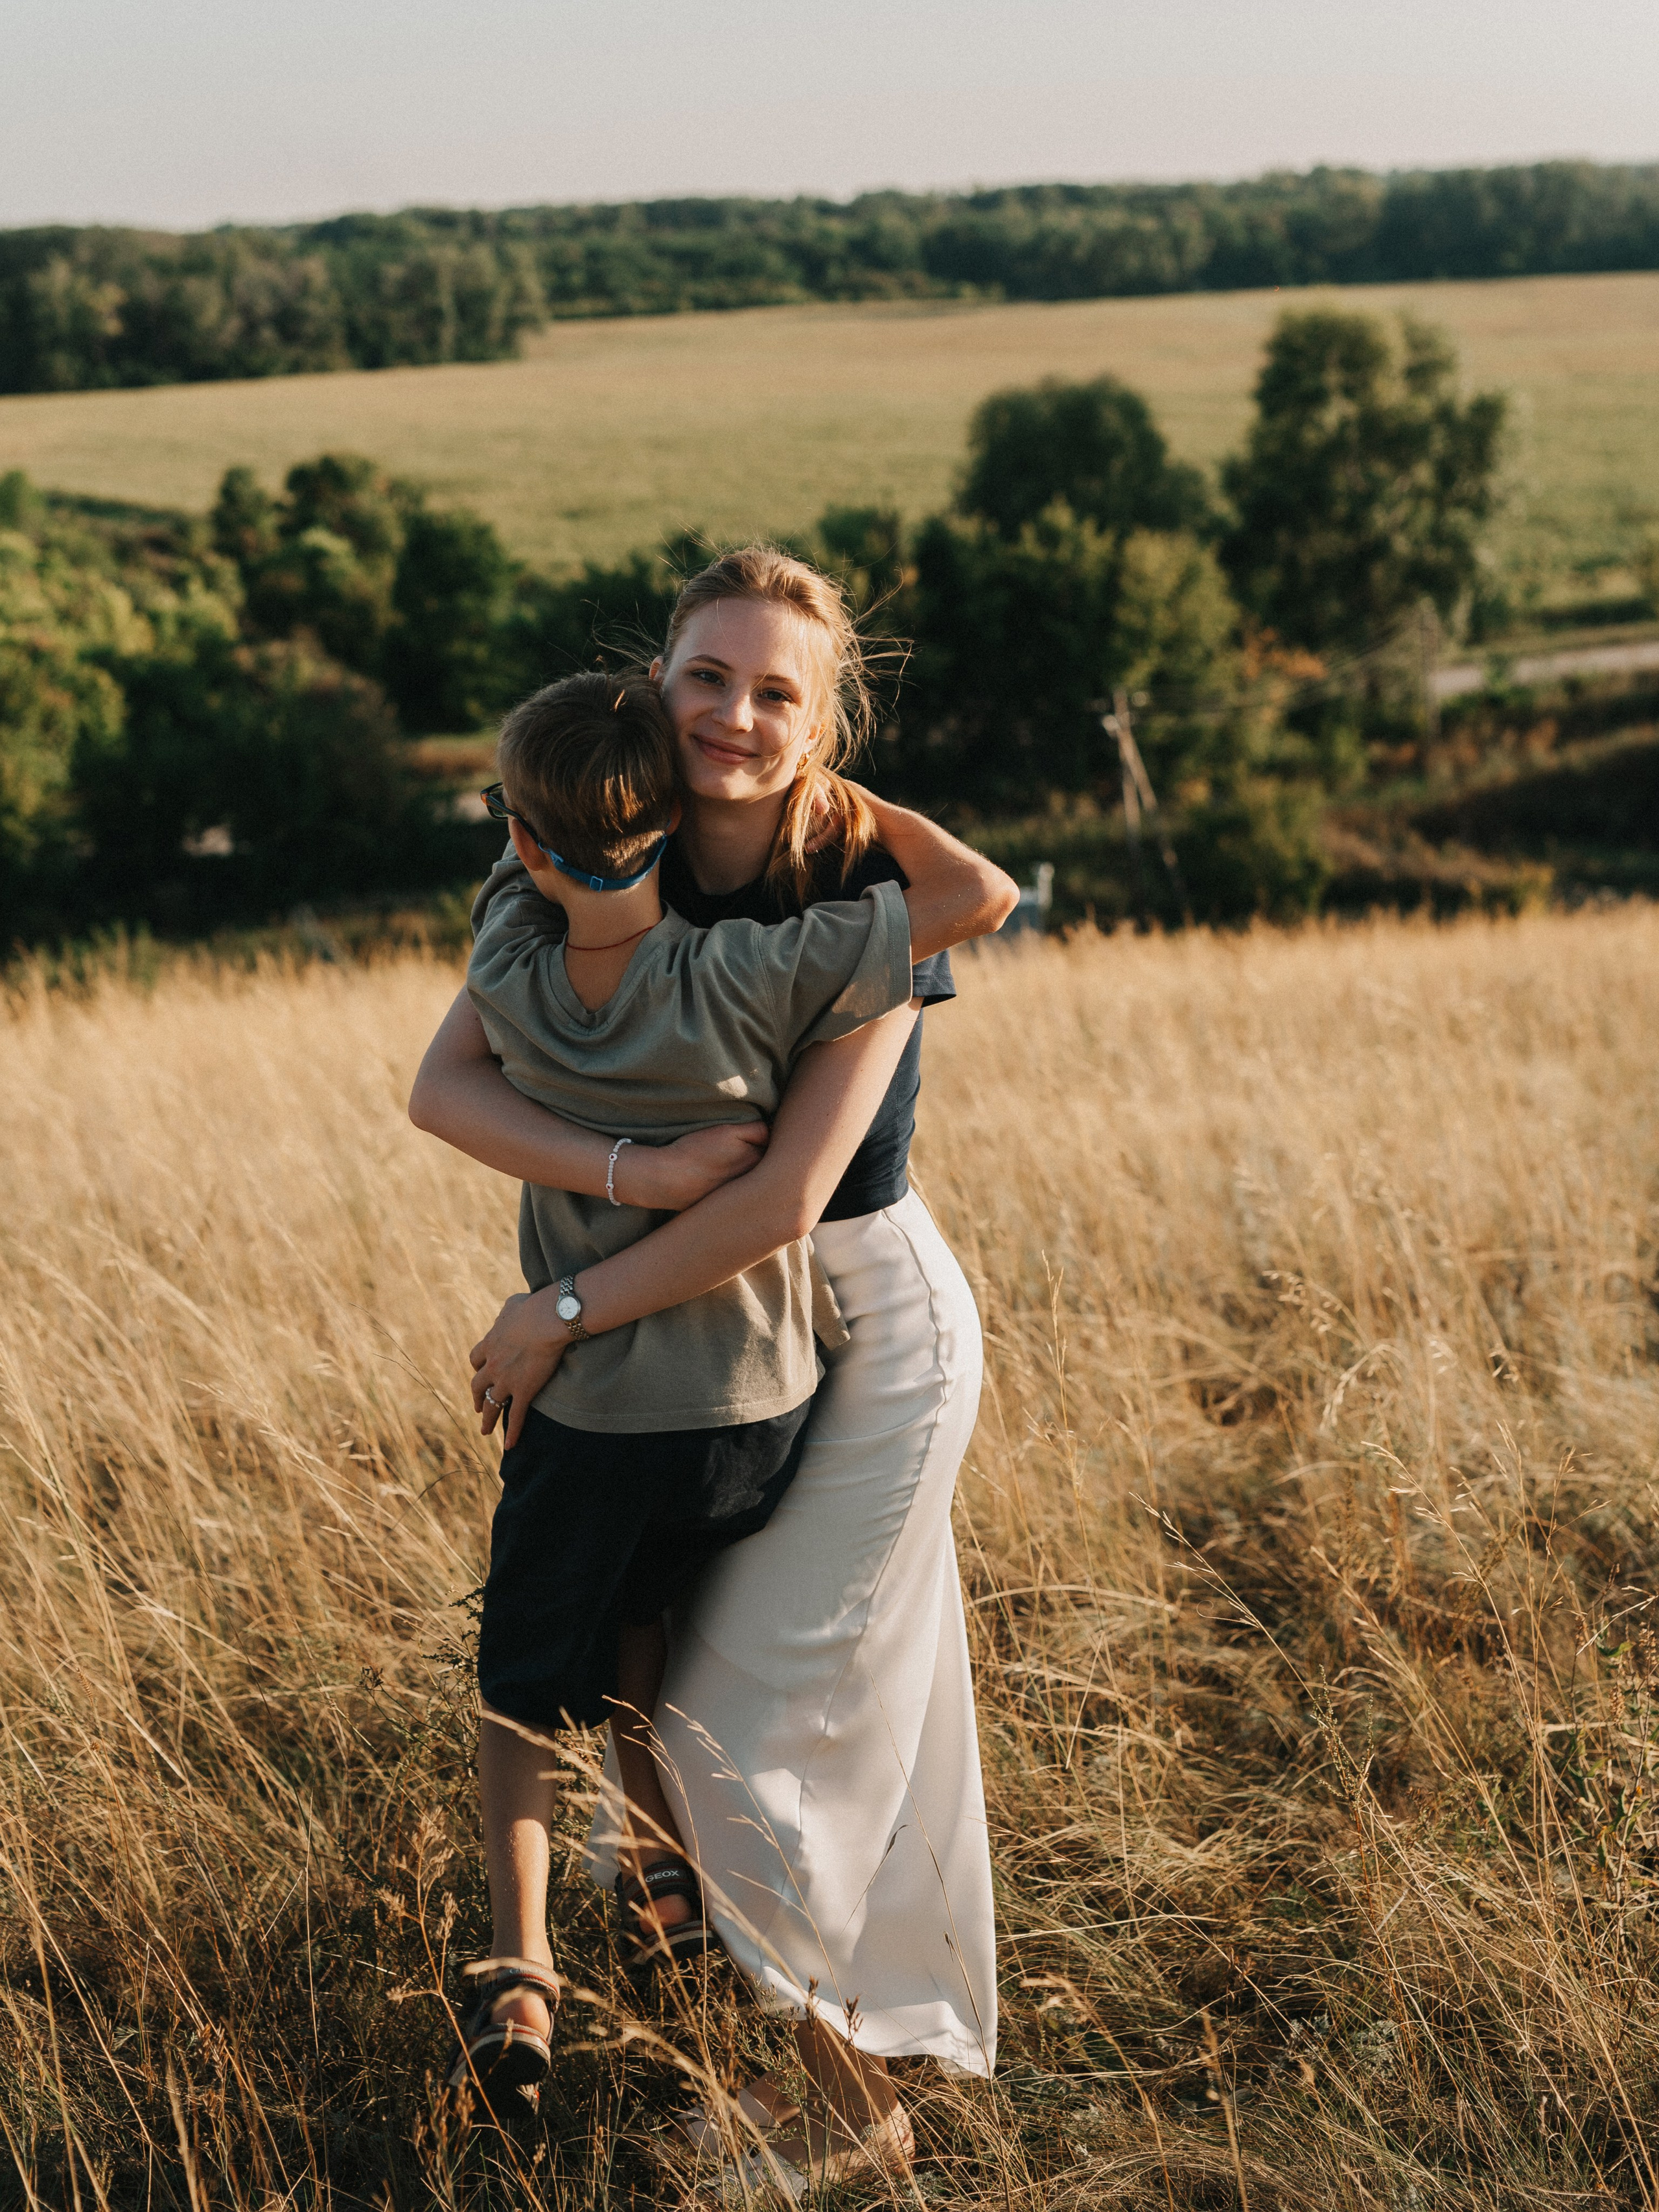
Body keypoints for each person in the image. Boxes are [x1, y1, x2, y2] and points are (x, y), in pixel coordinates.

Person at [410, 545, 1018, 2193]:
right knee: (721, 1699)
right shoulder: (602, 858)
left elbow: (782, 1200)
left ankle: (847, 2103)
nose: (732, 716)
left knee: (743, 1712)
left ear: (825, 725)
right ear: (650, 680)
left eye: (777, 692)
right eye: (704, 676)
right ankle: (825, 2043)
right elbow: (448, 1086)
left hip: (865, 1335)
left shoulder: (847, 902)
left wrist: (557, 1314)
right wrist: (615, 1177)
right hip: (704, 1337)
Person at [444, 664, 920, 2108]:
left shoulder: (506, 956)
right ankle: (660, 1897)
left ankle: (520, 1975)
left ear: (525, 845)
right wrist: (797, 768)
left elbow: (492, 954)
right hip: (751, 1416)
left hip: (590, 1410)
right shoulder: (751, 971)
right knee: (646, 1642)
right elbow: (966, 902)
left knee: (521, 1697)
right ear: (662, 828)